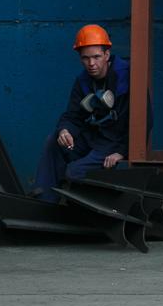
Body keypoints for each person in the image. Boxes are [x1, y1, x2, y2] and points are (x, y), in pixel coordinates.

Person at [33, 24, 130, 202]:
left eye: (96, 57)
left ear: (107, 55)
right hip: (93, 139)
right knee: (54, 142)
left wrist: (123, 151)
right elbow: (72, 116)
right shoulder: (83, 81)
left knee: (74, 172)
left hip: (114, 143)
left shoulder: (125, 76)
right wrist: (65, 131)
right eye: (86, 58)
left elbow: (142, 121)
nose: (91, 64)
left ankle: (77, 216)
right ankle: (44, 202)